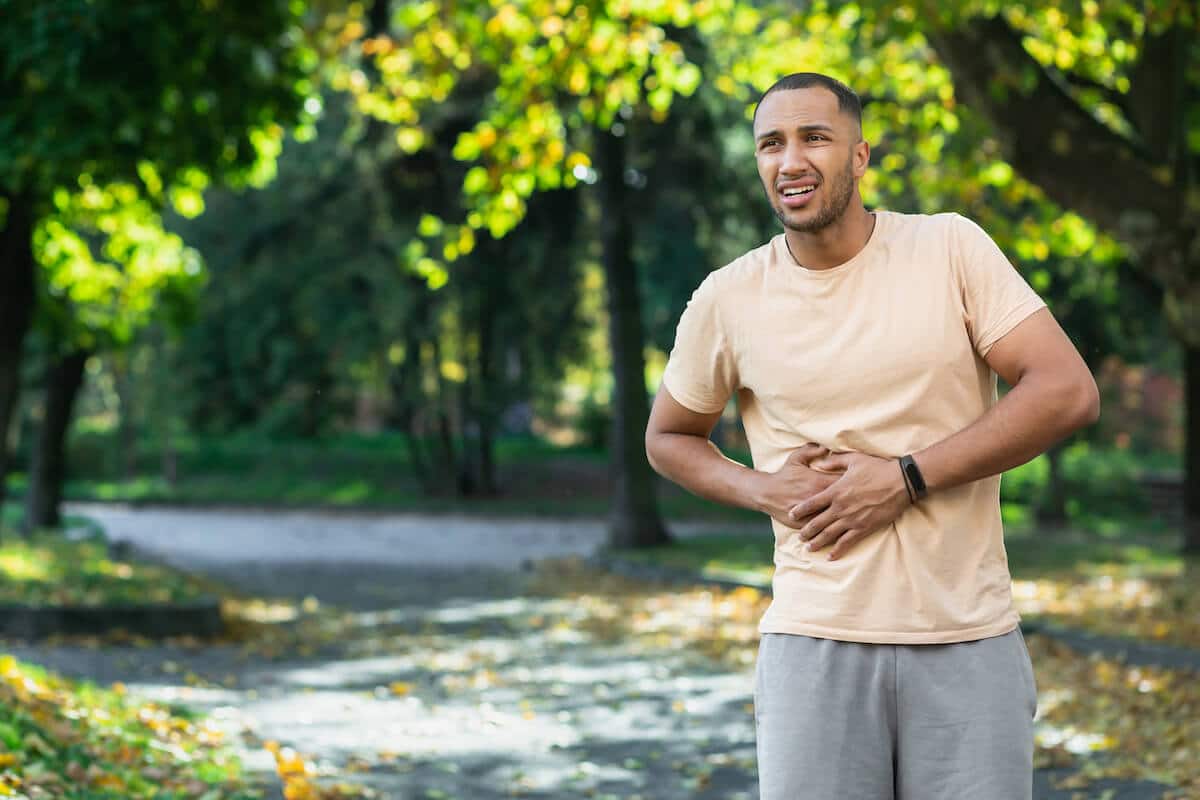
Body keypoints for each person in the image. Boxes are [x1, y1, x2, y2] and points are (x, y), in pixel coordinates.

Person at [643, 72, 1100, 800]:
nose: (790, 160)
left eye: (814, 138)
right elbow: (668, 436)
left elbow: (1066, 390)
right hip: (813, 642)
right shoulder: (729, 297)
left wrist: (905, 476)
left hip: (966, 637)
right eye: (771, 144)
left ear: (859, 156)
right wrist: (761, 488)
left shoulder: (950, 249)